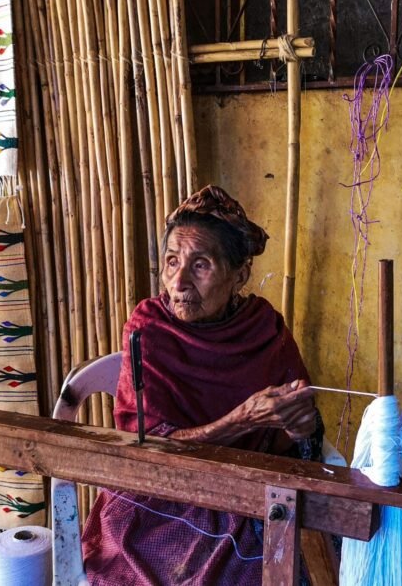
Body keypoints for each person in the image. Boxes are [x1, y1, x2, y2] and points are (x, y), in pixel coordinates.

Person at [82, 185, 323, 585]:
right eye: (172, 262)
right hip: (156, 497)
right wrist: (242, 420)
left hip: (245, 493)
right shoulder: (148, 329)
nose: (178, 283)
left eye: (201, 265)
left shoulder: (265, 329)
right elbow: (149, 449)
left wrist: (299, 429)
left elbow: (301, 442)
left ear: (240, 274)